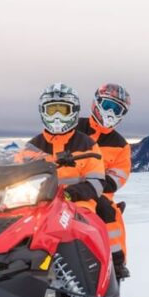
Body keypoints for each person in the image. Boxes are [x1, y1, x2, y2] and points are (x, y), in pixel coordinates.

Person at [19, 83, 106, 214]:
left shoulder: (88, 145)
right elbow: (17, 178)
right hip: (38, 207)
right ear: (43, 111)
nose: (57, 117)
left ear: (74, 111)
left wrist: (69, 194)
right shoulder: (31, 146)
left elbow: (97, 183)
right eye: (52, 111)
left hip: (79, 207)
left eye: (63, 110)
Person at [76, 83, 133, 280]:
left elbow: (119, 175)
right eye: (108, 105)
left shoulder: (120, 145)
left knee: (108, 212)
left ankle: (116, 264)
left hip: (97, 194)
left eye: (117, 109)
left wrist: (94, 186)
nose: (110, 112)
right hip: (61, 187)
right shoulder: (73, 128)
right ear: (97, 103)